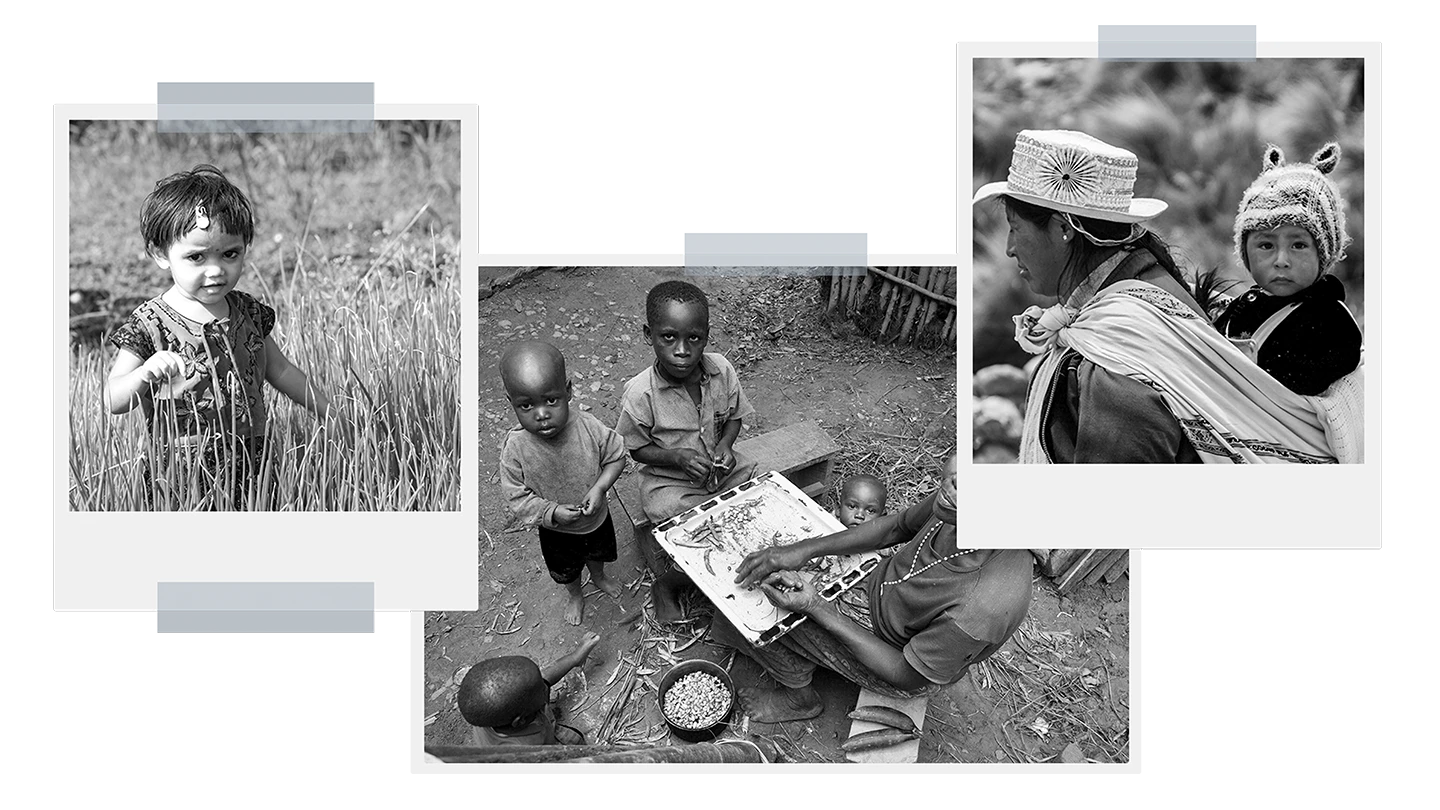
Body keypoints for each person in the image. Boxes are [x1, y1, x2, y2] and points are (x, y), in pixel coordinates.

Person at [974, 130, 1348, 464]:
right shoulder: (1150, 288)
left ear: (1061, 229)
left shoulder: (1117, 359)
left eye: (1015, 228)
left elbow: (1103, 530)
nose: (1009, 248)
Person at [716, 454, 1033, 722]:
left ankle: (800, 697)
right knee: (776, 573)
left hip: (898, 658)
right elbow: (897, 527)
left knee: (751, 607)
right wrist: (806, 549)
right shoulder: (955, 501)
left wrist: (816, 606)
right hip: (881, 591)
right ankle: (807, 650)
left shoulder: (982, 607)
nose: (955, 481)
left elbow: (906, 673)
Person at [105, 165, 330, 507]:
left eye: (230, 254)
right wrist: (144, 373)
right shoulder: (150, 323)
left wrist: (329, 411)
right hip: (181, 470)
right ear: (160, 254)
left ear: (245, 248)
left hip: (253, 462)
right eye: (196, 257)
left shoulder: (248, 313)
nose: (215, 270)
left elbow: (280, 370)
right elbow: (113, 400)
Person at [616, 280, 757, 621]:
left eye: (693, 338)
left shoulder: (722, 370)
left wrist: (725, 446)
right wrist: (675, 457)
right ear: (648, 334)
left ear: (706, 335)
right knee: (673, 512)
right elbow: (636, 449)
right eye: (669, 337)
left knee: (756, 480)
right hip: (671, 482)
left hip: (718, 471)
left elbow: (735, 418)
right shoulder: (640, 394)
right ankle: (671, 581)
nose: (682, 350)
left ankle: (729, 548)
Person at [1212, 142, 1363, 396]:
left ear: (1323, 253)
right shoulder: (1242, 306)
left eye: (1298, 245)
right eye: (1266, 245)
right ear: (1245, 252)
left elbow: (1327, 370)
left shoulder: (1331, 320)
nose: (1281, 260)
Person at [499, 341, 627, 626]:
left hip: (596, 519)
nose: (541, 413)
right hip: (555, 531)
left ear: (568, 391)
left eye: (551, 400)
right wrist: (551, 511)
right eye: (526, 405)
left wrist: (599, 488)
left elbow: (617, 457)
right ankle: (575, 594)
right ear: (511, 403)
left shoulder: (588, 427)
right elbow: (516, 496)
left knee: (597, 553)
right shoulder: (516, 448)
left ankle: (598, 577)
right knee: (566, 570)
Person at [456, 632, 600, 746]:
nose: (546, 688)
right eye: (543, 694)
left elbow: (544, 680)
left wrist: (575, 657)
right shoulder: (525, 754)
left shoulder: (494, 712)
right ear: (520, 721)